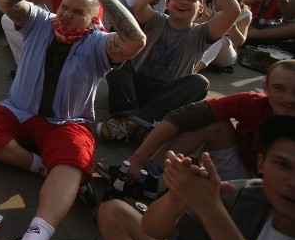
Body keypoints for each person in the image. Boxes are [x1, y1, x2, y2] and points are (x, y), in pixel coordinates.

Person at [0, 0, 146, 240]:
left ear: (93, 20)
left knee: (77, 152)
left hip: (65, 121)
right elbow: (6, 0)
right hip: (18, 111)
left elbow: (135, 40)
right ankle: (44, 167)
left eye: (78, 12)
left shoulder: (99, 44)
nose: (66, 15)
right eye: (64, 7)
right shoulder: (40, 20)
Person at [98, 115, 295, 240]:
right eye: (283, 165)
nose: (292, 182)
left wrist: (210, 210)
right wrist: (178, 198)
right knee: (114, 211)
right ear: (262, 164)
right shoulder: (247, 194)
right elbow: (152, 229)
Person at [100, 0, 240, 142]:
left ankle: (127, 123)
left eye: (191, 0)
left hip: (167, 95)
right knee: (119, 59)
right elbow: (140, 4)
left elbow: (232, 11)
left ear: (200, 9)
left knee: (200, 82)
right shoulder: (156, 20)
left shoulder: (202, 33)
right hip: (133, 87)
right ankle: (140, 124)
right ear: (167, 4)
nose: (183, 2)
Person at [120, 58, 295, 183]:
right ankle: (146, 174)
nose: (288, 98)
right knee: (210, 122)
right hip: (244, 169)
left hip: (281, 190)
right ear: (265, 87)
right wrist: (138, 158)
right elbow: (184, 115)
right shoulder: (253, 103)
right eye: (279, 88)